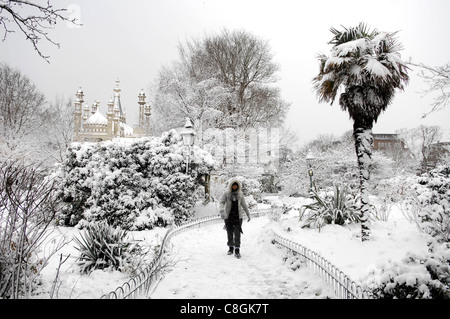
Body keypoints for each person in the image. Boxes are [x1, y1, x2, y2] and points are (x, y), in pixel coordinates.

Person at [219, 178, 251, 258]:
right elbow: (221, 202)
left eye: (236, 186)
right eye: (233, 186)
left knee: (237, 233)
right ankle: (230, 248)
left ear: (238, 186)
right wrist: (222, 211)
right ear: (231, 186)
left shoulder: (240, 194)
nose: (234, 187)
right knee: (229, 232)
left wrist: (248, 214)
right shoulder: (226, 193)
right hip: (228, 217)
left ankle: (237, 250)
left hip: (238, 217)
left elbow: (244, 205)